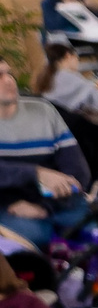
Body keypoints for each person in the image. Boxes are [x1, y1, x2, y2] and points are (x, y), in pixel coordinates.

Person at [0, 58, 91, 248]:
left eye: (8, 73)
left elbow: (78, 171)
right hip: (8, 206)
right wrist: (37, 173)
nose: (8, 80)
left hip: (57, 202)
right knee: (35, 238)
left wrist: (44, 207)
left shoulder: (44, 111)